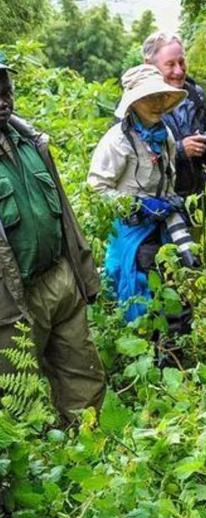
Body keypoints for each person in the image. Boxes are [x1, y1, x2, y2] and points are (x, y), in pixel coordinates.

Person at [0, 54, 105, 422]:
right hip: (11, 300)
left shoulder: (30, 143)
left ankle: (88, 457)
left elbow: (66, 217)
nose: (2, 101)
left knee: (84, 379)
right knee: (16, 403)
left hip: (60, 278)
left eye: (5, 90)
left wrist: (84, 275)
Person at [88, 64, 193, 364]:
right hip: (132, 229)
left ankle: (173, 355)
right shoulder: (117, 141)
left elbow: (167, 176)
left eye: (162, 97)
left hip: (163, 225)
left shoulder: (166, 135)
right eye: (150, 98)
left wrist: (169, 203)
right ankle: (142, 359)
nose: (158, 104)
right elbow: (96, 187)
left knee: (175, 286)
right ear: (134, 102)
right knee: (138, 290)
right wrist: (137, 204)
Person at [143, 31, 206, 199]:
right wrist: (180, 150)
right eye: (170, 64)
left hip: (195, 195)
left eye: (181, 62)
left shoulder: (196, 94)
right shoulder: (138, 103)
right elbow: (134, 157)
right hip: (157, 201)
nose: (179, 71)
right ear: (149, 65)